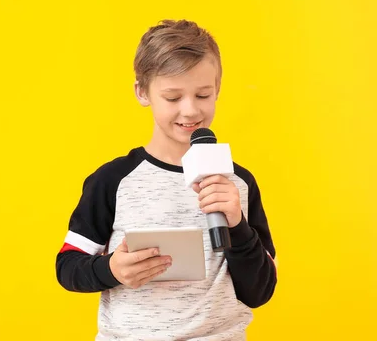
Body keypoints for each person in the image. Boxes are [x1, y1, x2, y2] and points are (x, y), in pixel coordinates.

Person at [55, 19, 277, 340]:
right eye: (173, 98)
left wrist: (237, 225)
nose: (190, 111)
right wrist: (111, 269)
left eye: (203, 94)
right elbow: (67, 266)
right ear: (142, 92)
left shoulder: (238, 182)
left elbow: (260, 291)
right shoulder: (113, 180)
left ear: (218, 89)